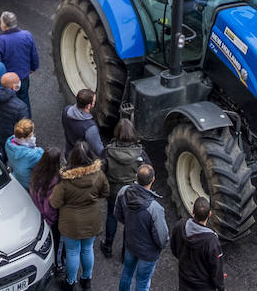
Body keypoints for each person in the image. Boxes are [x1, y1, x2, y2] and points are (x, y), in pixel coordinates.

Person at [50, 142, 109, 291]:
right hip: (92, 219)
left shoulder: (65, 180)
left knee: (72, 252)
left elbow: (55, 203)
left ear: (72, 158)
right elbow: (105, 192)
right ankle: (86, 280)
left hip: (71, 223)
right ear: (90, 156)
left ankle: (70, 282)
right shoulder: (99, 175)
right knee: (88, 249)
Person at [115, 164, 168, 291]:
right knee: (142, 282)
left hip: (130, 244)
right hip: (148, 253)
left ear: (136, 177)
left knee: (127, 273)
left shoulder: (123, 192)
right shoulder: (155, 209)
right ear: (153, 179)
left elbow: (118, 215)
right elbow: (162, 238)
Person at [99, 118, 146, 258]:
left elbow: (101, 170)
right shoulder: (140, 153)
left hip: (113, 191)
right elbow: (148, 171)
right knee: (129, 221)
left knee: (111, 216)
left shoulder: (108, 151)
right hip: (132, 192)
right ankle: (126, 252)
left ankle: (108, 246)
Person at [171, 196, 225, 291]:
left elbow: (174, 248)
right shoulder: (211, 241)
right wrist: (221, 288)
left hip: (184, 281)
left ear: (193, 212)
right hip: (204, 286)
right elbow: (216, 269)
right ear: (209, 214)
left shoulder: (180, 226)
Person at [0, 11, 40, 114]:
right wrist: (33, 67)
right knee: (24, 98)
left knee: (9, 102)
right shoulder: (27, 35)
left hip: (8, 81)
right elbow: (34, 54)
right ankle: (27, 123)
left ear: (4, 25)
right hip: (23, 76)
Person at [0, 72, 30, 158]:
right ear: (14, 87)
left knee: (2, 157)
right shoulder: (21, 107)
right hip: (14, 141)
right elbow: (25, 130)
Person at [62, 89, 104, 158]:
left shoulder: (66, 110)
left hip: (69, 154)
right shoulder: (90, 128)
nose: (95, 102)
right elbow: (99, 150)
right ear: (88, 106)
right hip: (82, 160)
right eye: (93, 101)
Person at [6, 119, 45, 187]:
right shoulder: (35, 154)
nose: (34, 137)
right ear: (29, 136)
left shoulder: (8, 143)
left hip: (17, 179)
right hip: (30, 185)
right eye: (32, 135)